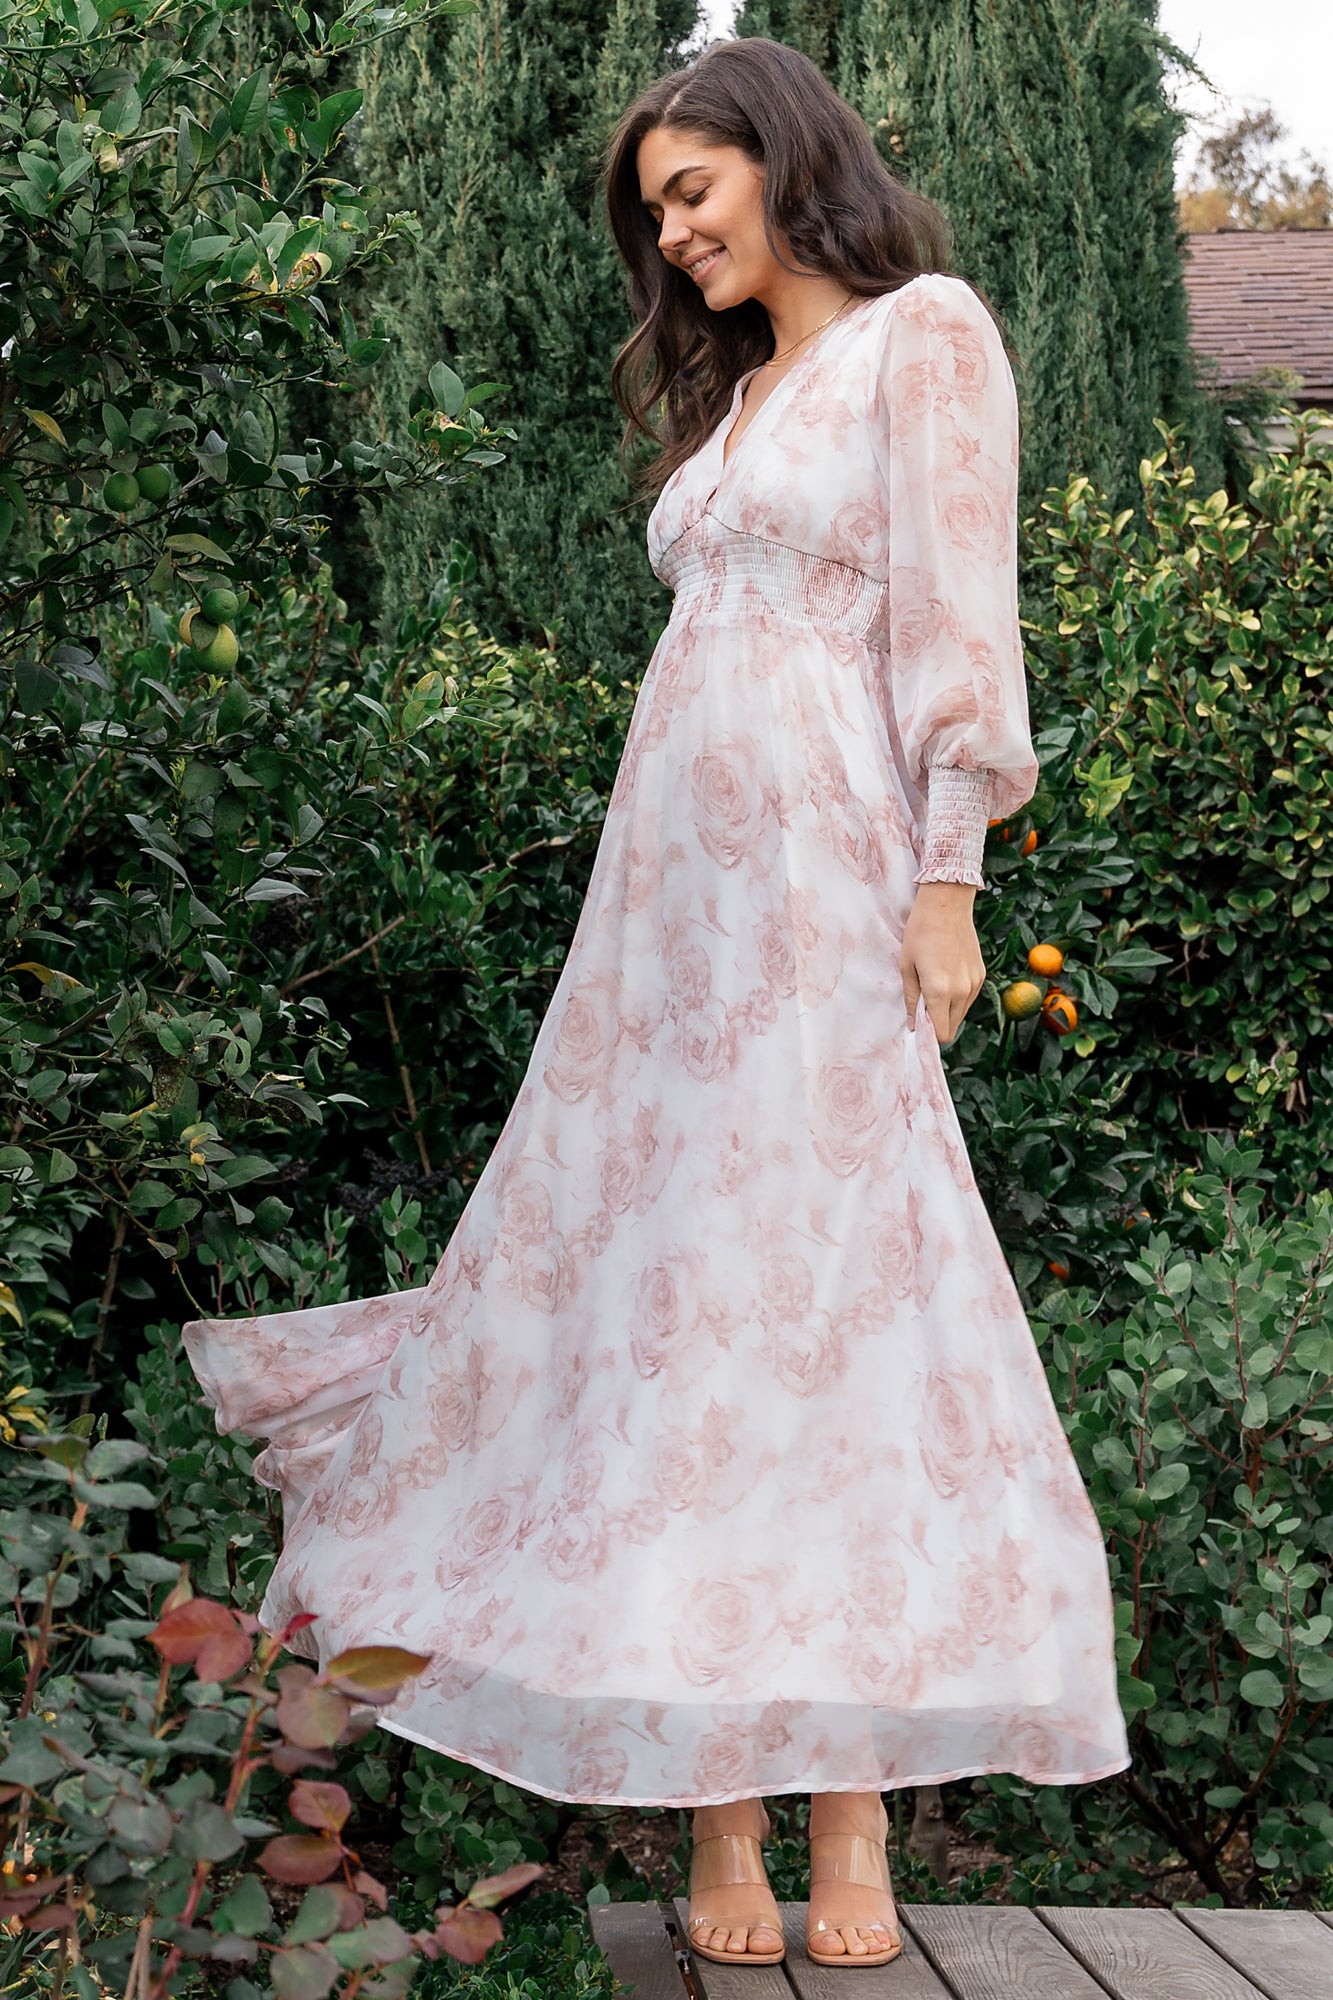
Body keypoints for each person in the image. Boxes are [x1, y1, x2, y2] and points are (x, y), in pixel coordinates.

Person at [181, 33, 1130, 1981]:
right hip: (664, 935)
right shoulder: (751, 391)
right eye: (653, 214)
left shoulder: (919, 334)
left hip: (826, 889)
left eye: (691, 190)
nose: (672, 234)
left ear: (788, 158)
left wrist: (946, 881)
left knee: (837, 1316)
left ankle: (851, 1809)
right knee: (680, 1318)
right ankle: (723, 1818)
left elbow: (959, 615)